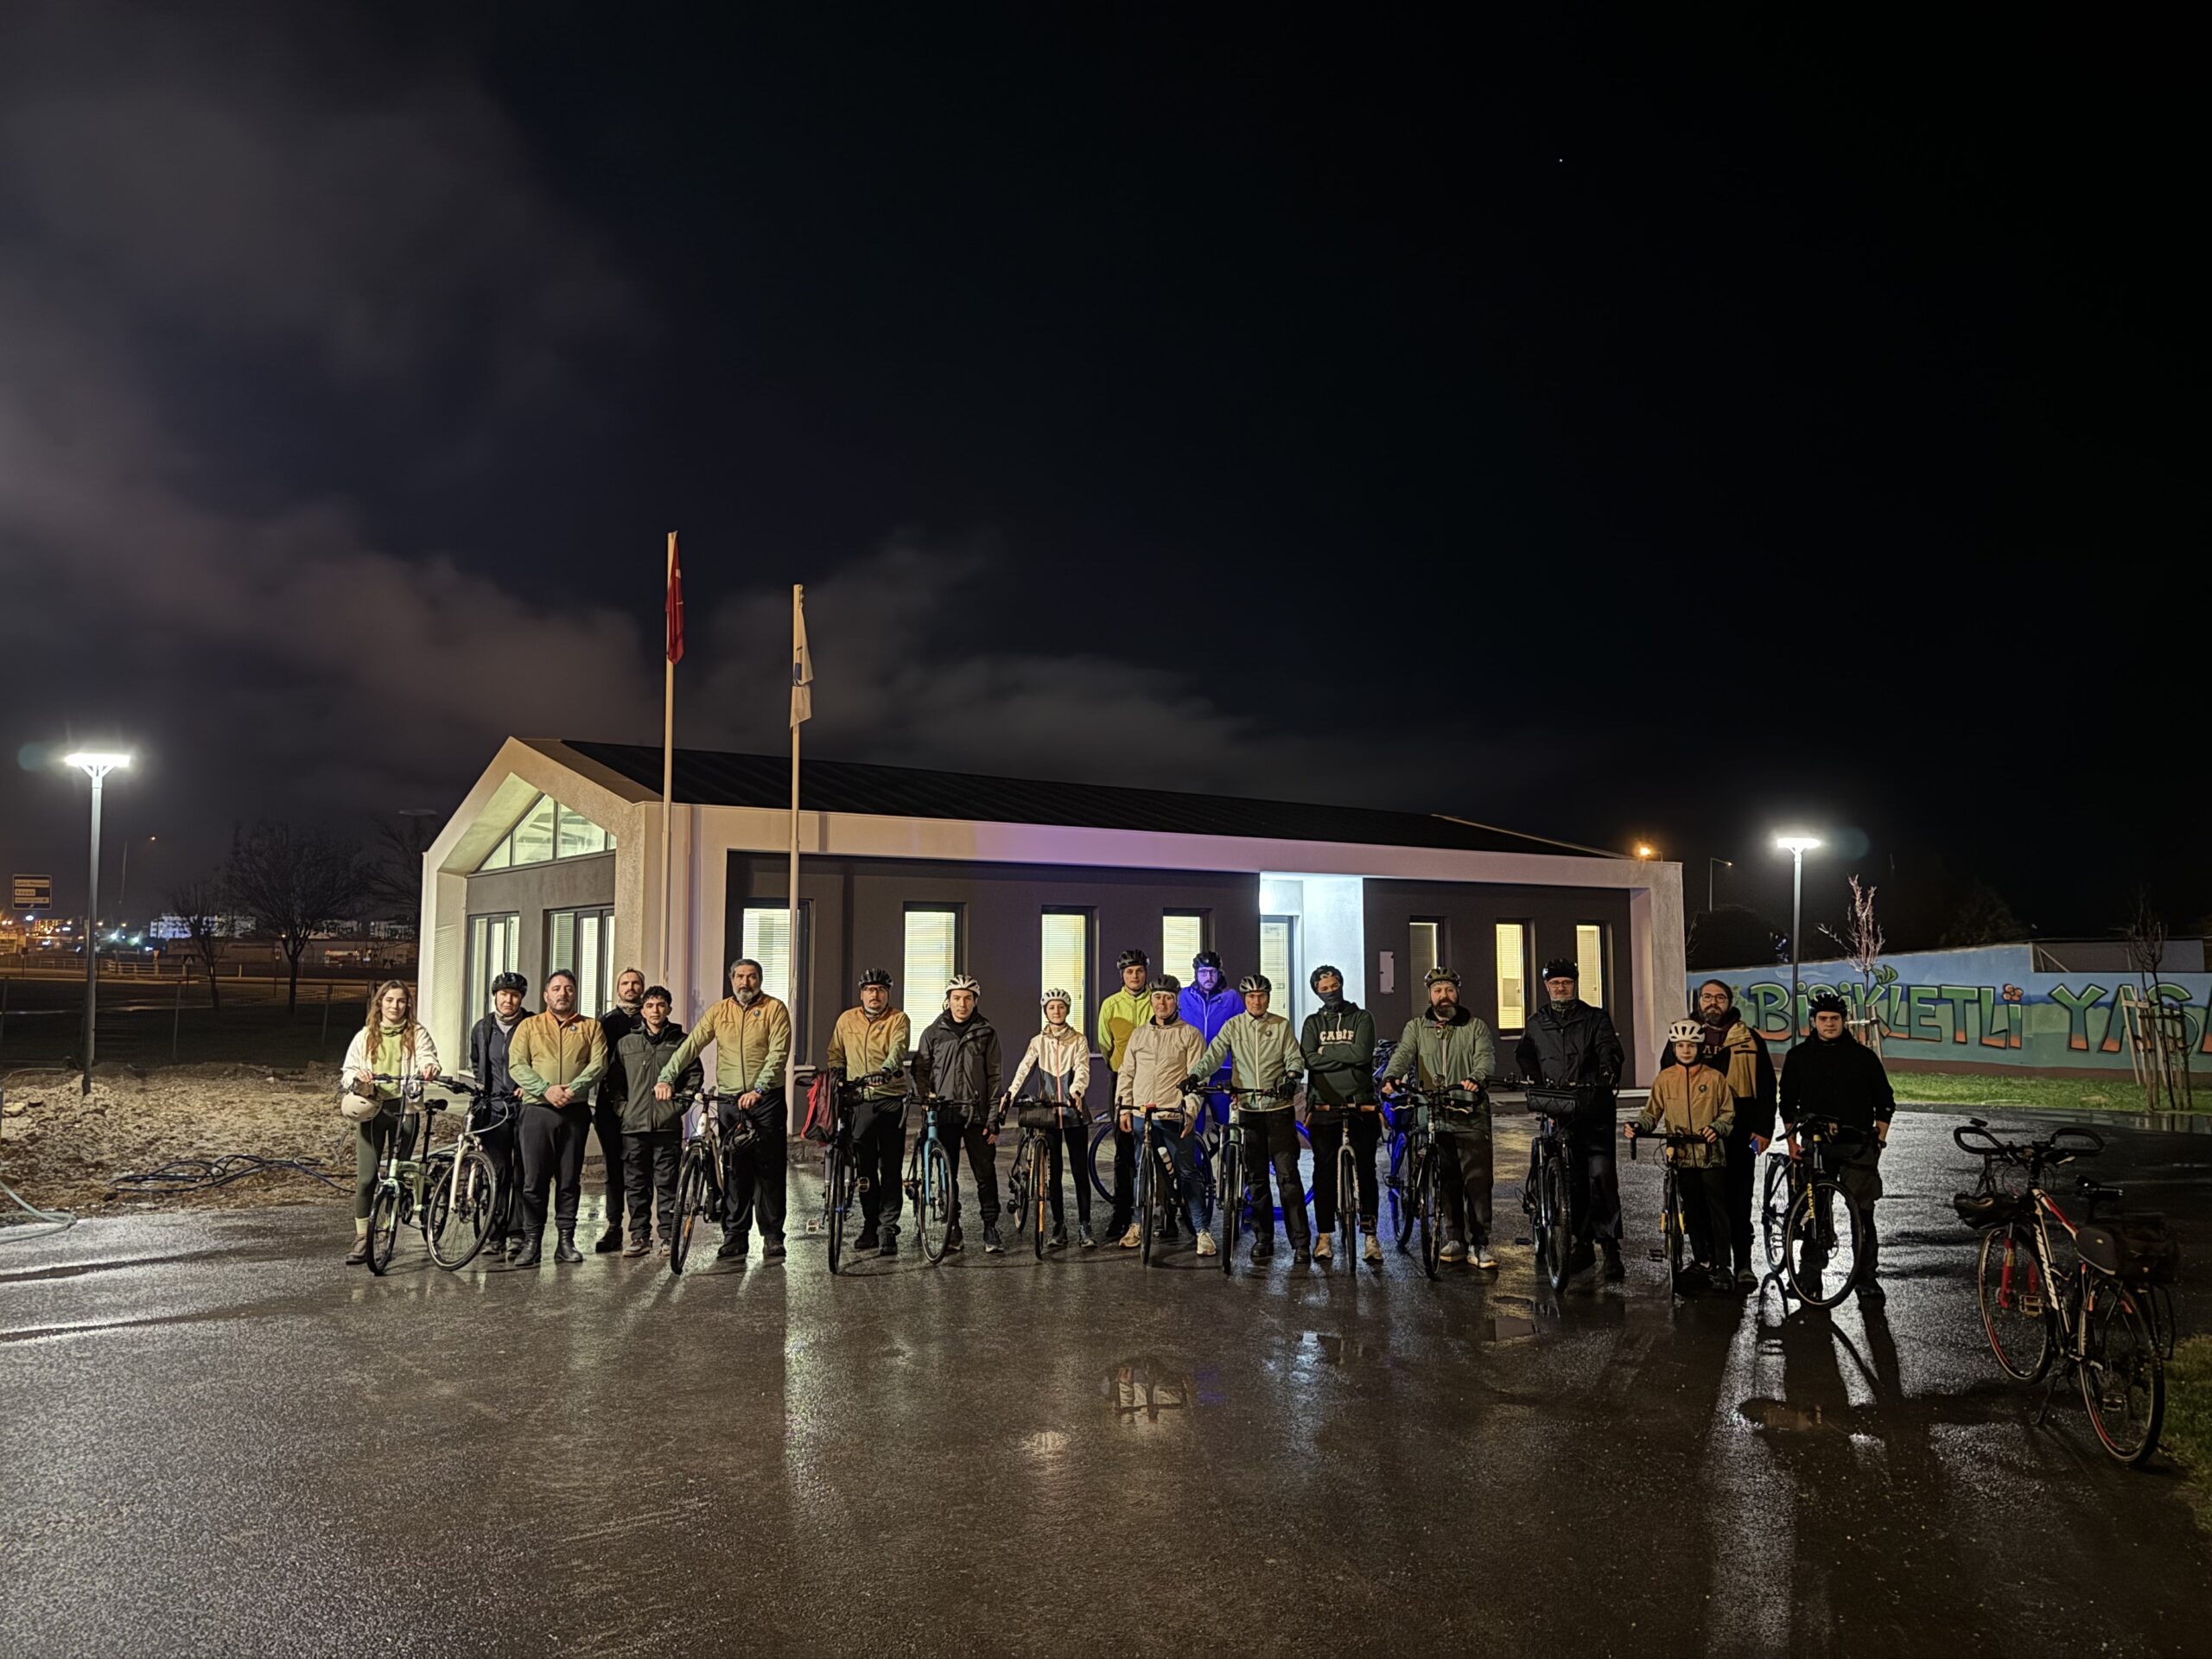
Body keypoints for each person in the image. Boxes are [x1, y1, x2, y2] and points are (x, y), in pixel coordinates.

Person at [655, 958, 792, 1262]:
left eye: (752, 976)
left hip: (765, 1100)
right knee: (734, 1170)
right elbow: (692, 1045)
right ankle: (735, 1237)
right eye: (740, 976)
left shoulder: (774, 1009)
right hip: (730, 1100)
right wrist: (666, 1077)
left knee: (769, 1170)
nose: (745, 982)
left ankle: (772, 1236)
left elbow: (778, 1053)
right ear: (732, 980)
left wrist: (759, 1089)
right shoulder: (720, 1011)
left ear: (760, 979)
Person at [1779, 990, 1896, 1304]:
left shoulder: (1864, 1057)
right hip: (1815, 1143)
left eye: (1834, 1018)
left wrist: (1879, 1138)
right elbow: (1787, 1103)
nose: (1829, 1024)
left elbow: (1885, 1101)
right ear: (1813, 1022)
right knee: (1813, 1212)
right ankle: (1809, 1275)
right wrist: (1791, 1142)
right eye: (1823, 1019)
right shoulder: (1798, 1057)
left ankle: (1866, 1278)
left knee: (1863, 1213)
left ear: (1844, 1021)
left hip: (1857, 1143)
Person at [1660, 979, 1778, 1287]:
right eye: (1707, 997)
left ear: (1729, 1002)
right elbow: (1666, 1080)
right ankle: (1706, 1261)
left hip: (1739, 1132)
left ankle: (1743, 1264)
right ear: (1699, 1001)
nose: (1713, 1002)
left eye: (1720, 998)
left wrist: (1763, 1129)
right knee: (1697, 1202)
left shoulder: (1748, 1038)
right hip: (1693, 1135)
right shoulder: (1683, 1037)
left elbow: (1766, 1086)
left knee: (1738, 1199)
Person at [1516, 957, 1627, 1281]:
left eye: (1566, 982)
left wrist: (1607, 1072)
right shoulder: (1537, 1023)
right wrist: (1536, 1082)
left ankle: (1610, 1248)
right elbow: (1525, 1055)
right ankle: (1580, 1243)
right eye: (1555, 983)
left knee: (1601, 1175)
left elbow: (1609, 1049)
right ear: (1547, 986)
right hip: (1558, 1108)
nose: (1561, 987)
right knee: (1570, 1178)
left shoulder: (1595, 1018)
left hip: (1594, 1108)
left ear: (1574, 985)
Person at [1381, 966, 1498, 1268]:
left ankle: (1480, 1243)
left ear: (1457, 993)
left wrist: (1476, 1078)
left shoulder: (1475, 1027)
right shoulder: (1417, 1027)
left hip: (1469, 1113)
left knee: (1477, 1181)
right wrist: (1392, 1076)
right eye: (1437, 991)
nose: (1443, 996)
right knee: (1446, 1180)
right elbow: (1403, 1054)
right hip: (1432, 1112)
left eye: (1448, 990)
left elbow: (1485, 1057)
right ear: (1430, 995)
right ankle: (1455, 1237)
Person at [1189, 974, 1310, 1266]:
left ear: (1268, 997)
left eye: (1262, 996)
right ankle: (1263, 1239)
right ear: (1245, 999)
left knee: (1288, 1177)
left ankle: (1301, 1242)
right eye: (1252, 996)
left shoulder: (1281, 1025)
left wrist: (1292, 1076)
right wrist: (1196, 1075)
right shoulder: (1233, 1026)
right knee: (1256, 1179)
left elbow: (1294, 1057)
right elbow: (1214, 1054)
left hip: (1278, 1109)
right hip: (1248, 1110)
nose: (1257, 1001)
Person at [506, 969, 610, 1268]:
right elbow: (517, 1065)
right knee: (533, 1181)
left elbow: (599, 1064)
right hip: (537, 1111)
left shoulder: (591, 1027)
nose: (562, 993)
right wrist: (546, 1089)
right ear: (546, 995)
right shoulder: (529, 1026)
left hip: (575, 1112)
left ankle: (566, 1241)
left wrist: (573, 1089)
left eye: (568, 989)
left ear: (575, 994)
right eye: (556, 988)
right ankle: (532, 1242)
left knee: (569, 1180)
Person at [1627, 1020, 1737, 1293]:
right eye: (1680, 1046)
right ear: (1674, 1048)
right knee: (1693, 1210)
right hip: (1682, 1155)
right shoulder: (1665, 1079)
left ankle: (1724, 1266)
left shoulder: (1714, 1078)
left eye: (1691, 1045)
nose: (1686, 1050)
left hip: (1710, 1156)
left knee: (1717, 1212)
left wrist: (1717, 1128)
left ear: (1699, 1048)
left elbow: (1728, 1114)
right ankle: (1702, 1260)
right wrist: (1638, 1126)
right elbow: (1652, 1113)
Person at [339, 979, 442, 1264]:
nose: (395, 1006)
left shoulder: (417, 1033)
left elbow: (428, 1058)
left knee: (399, 1174)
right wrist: (358, 1076)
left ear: (408, 1005)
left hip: (405, 1110)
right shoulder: (365, 1036)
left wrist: (429, 1068)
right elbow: (347, 1072)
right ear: (379, 1004)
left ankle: (387, 1228)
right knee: (366, 1178)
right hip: (373, 1110)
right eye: (389, 1000)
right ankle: (363, 1237)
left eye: (401, 1001)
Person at [1116, 977, 1211, 1255]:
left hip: (1174, 1114)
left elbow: (1197, 1078)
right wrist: (1124, 1108)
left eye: (1168, 997)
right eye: (1157, 997)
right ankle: (1136, 1224)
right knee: (1141, 1170)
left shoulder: (1190, 1035)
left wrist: (1190, 1112)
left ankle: (1202, 1230)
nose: (1162, 1002)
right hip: (1142, 1114)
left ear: (1176, 1001)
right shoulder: (1139, 1035)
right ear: (1151, 1000)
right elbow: (1127, 1072)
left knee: (1186, 1172)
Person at [913, 974, 1005, 1253]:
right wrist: (926, 1100)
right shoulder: (933, 1033)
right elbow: (921, 1071)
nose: (962, 1004)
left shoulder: (986, 1033)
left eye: (967, 998)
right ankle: (953, 1227)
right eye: (956, 998)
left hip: (976, 1113)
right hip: (944, 1114)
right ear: (948, 1000)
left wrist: (993, 1117)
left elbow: (995, 1077)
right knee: (946, 1172)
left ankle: (990, 1226)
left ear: (975, 1001)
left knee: (985, 1172)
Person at [827, 968, 912, 1257]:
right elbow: (836, 1052)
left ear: (887, 994)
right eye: (869, 990)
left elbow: (898, 1048)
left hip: (890, 1098)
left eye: (881, 990)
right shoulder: (846, 1019)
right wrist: (838, 1075)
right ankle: (870, 1224)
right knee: (864, 1168)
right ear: (862, 993)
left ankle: (888, 1227)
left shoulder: (898, 1019)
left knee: (890, 1166)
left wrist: (886, 1070)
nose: (875, 995)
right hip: (859, 1100)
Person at [1300, 964, 1382, 1263]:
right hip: (1323, 1105)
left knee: (1367, 1170)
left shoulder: (1363, 1017)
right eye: (1324, 989)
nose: (1330, 992)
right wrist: (1343, 1056)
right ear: (1316, 992)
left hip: (1362, 1103)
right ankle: (1324, 1236)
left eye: (1334, 986)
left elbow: (1362, 1054)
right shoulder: (1312, 1022)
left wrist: (1325, 1054)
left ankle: (1371, 1237)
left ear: (1342, 984)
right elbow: (1308, 1059)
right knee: (1323, 1171)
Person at [1005, 987, 1097, 1249]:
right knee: (1053, 1172)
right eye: (1051, 1007)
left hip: (1073, 1110)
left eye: (1061, 1007)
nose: (1056, 1011)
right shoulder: (1038, 1041)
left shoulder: (1078, 1040)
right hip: (1048, 1113)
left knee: (1079, 1170)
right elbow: (1024, 1069)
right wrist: (1011, 1093)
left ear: (1067, 1010)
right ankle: (1059, 1226)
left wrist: (1076, 1091)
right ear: (1045, 1011)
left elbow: (1083, 1068)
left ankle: (1085, 1225)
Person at [613, 985, 697, 1256]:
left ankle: (668, 1236)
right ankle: (639, 1237)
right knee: (636, 1184)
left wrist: (677, 1107)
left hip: (666, 1126)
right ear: (642, 1010)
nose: (655, 1011)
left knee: (667, 1183)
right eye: (649, 1006)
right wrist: (623, 1110)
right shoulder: (626, 1044)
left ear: (669, 1009)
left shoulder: (681, 1043)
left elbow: (694, 1077)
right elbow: (614, 1083)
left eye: (661, 1005)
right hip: (633, 1126)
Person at [467, 969, 531, 1259]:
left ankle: (518, 1233)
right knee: (497, 1171)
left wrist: (528, 1085)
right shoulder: (482, 1028)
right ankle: (494, 1234)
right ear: (495, 996)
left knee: (523, 1173)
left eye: (514, 995)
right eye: (504, 994)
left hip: (524, 1107)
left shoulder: (532, 1025)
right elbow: (477, 1062)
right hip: (493, 1109)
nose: (509, 1000)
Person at [1096, 949, 1155, 1247]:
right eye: (1130, 971)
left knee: (1155, 1143)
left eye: (1139, 970)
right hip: (1121, 1079)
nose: (1135, 976)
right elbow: (1105, 1045)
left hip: (1153, 1080)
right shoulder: (1110, 1005)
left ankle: (1162, 1211)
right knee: (1123, 1149)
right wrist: (1120, 1068)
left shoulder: (1156, 1000)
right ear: (1122, 974)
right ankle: (1121, 1213)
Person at [594, 967, 648, 1253]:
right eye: (625, 983)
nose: (630, 987)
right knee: (614, 1168)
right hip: (610, 1107)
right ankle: (614, 1226)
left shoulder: (650, 1019)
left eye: (635, 983)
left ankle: (642, 1230)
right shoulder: (605, 1023)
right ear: (618, 989)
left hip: (644, 1105)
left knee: (641, 1169)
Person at [1178, 950, 1242, 1129]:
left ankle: (1228, 1149)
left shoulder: (1231, 997)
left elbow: (1241, 1033)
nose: (1209, 977)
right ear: (1196, 973)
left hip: (1223, 1069)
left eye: (1212, 972)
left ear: (1219, 973)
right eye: (1203, 972)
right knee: (1192, 1123)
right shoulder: (1183, 996)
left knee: (1225, 1125)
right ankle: (1196, 1150)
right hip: (1193, 1068)